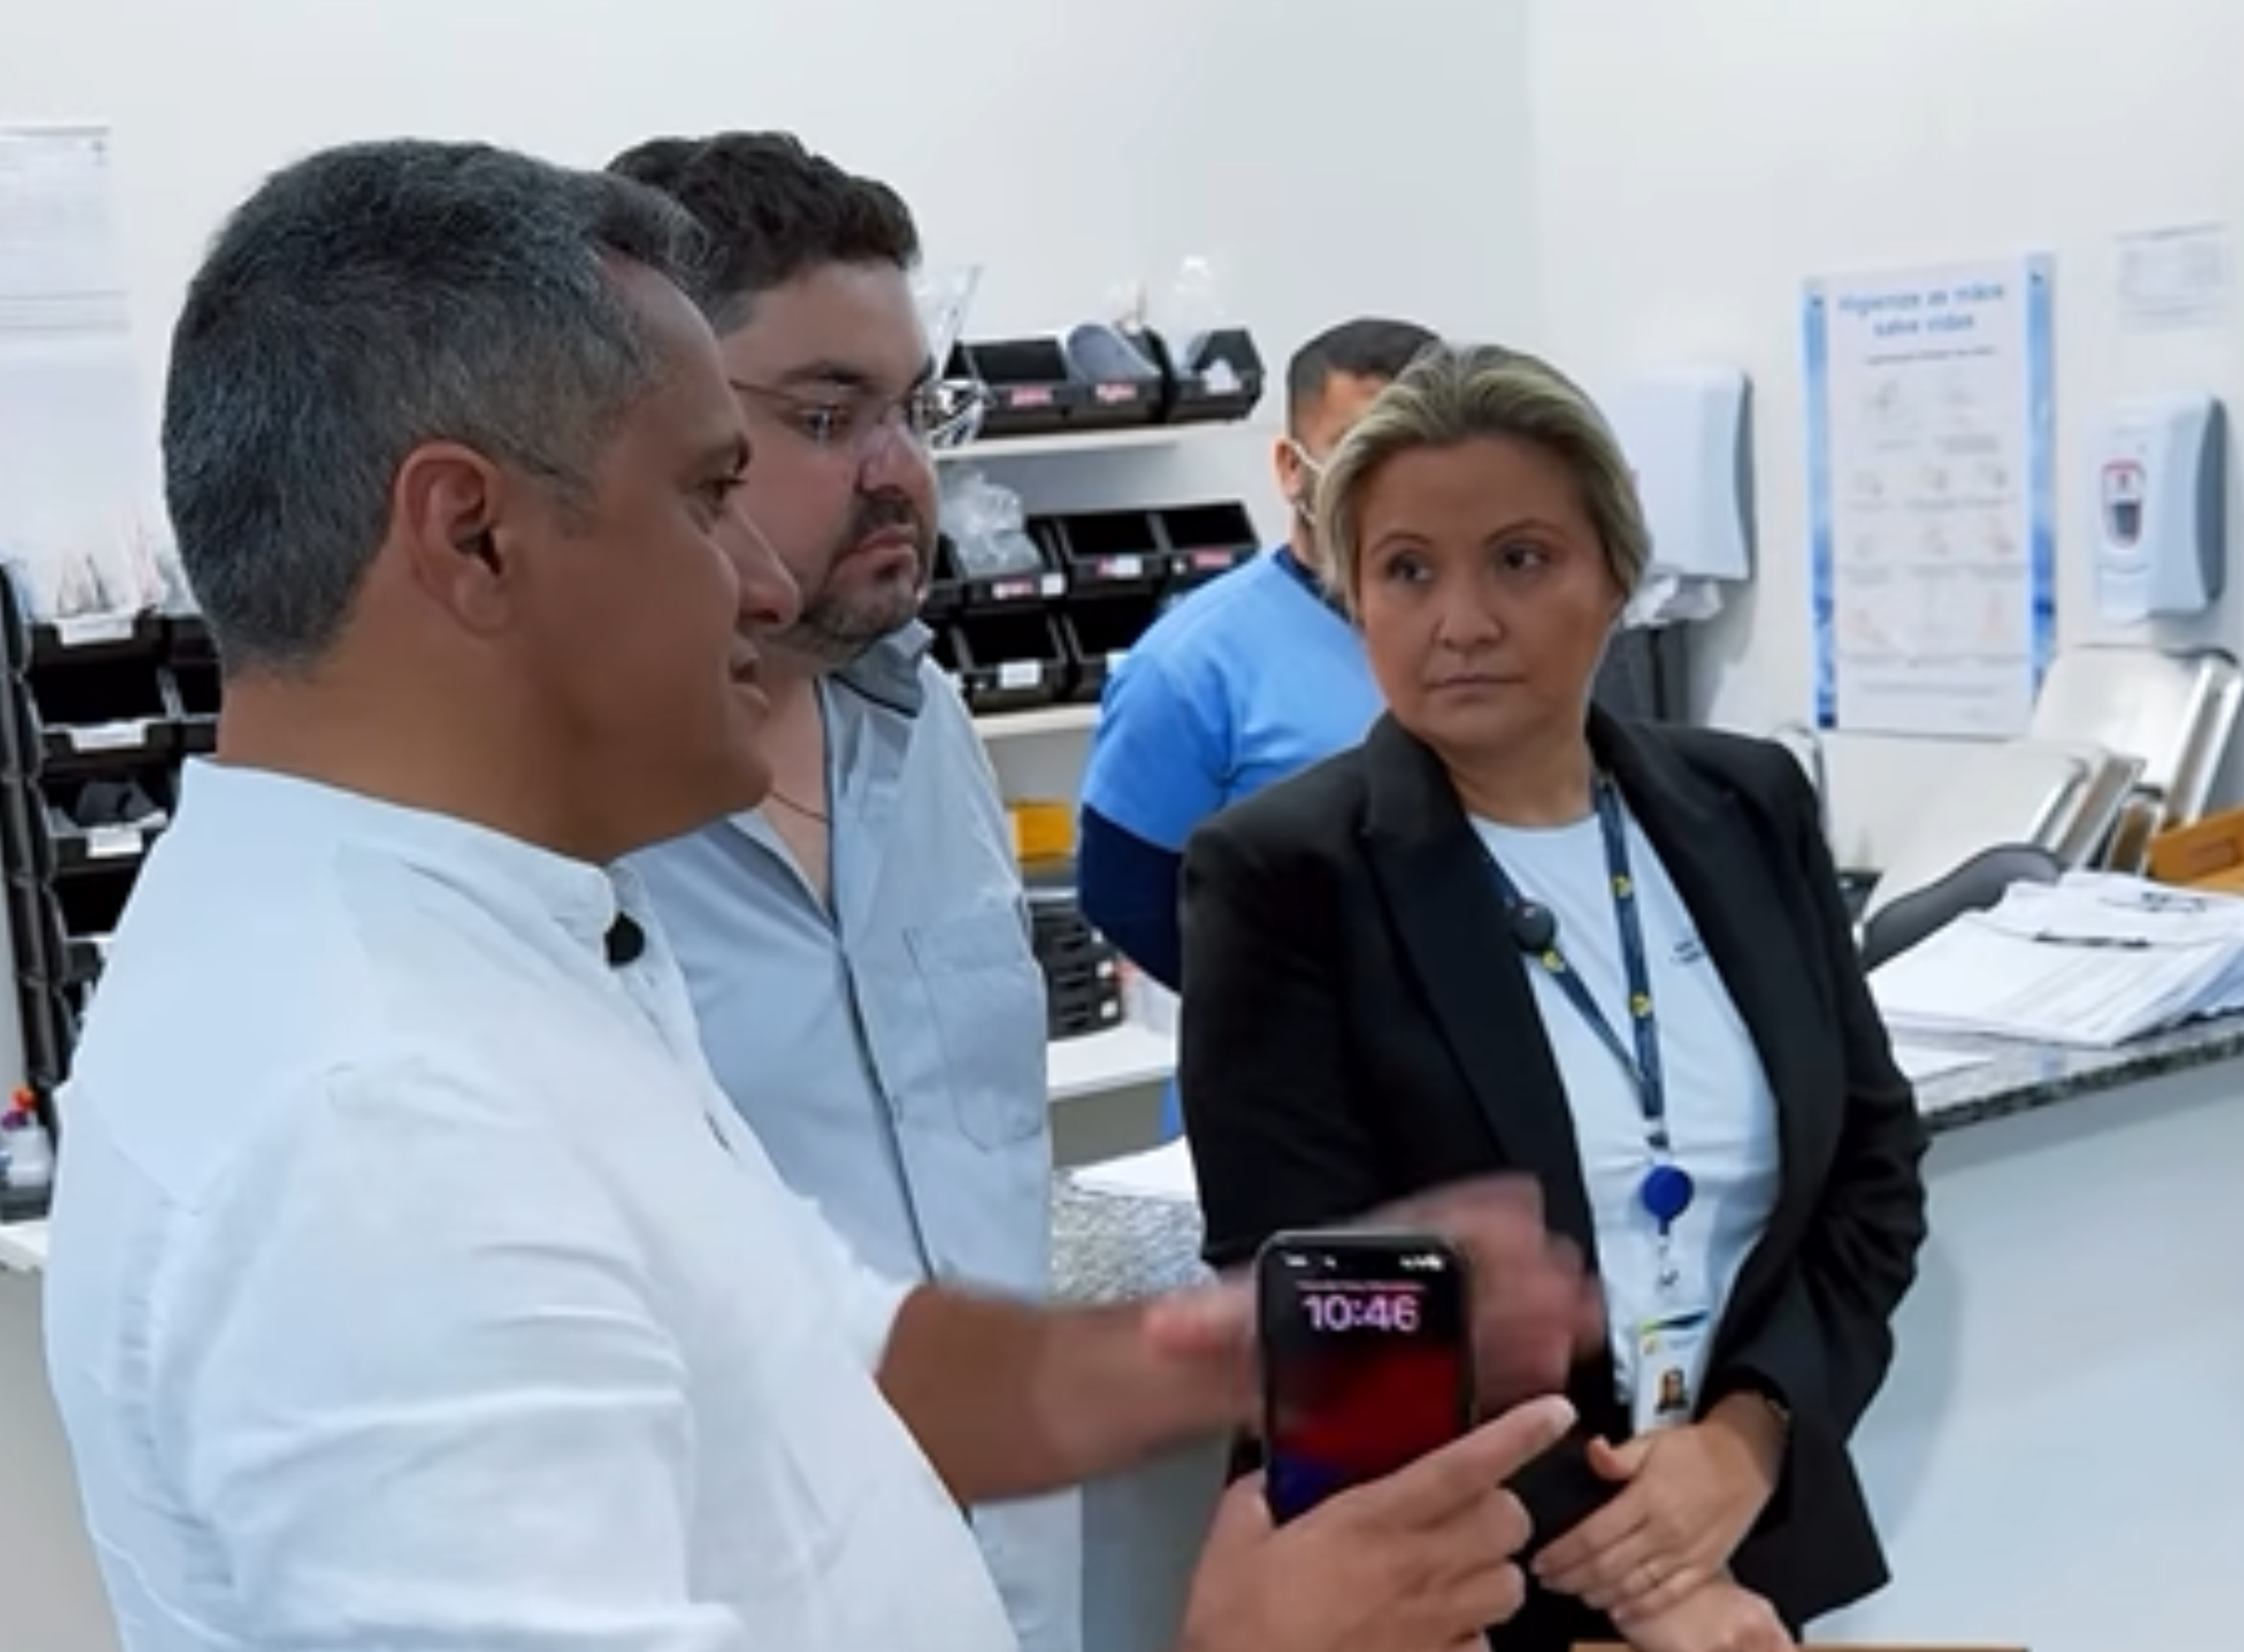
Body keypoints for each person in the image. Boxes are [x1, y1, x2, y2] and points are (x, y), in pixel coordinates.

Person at [40, 140, 1597, 1652]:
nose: (767, 582)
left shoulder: (499, 945)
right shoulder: (376, 1126)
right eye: (705, 493)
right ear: (473, 535)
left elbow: (837, 1352)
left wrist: (1248, 1344)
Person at [1176, 342, 1929, 1652]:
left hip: (1744, 1558)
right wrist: (1646, 1572)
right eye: (1407, 570)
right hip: (1458, 1594)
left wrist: (1747, 1439)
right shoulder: (1281, 874)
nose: (1461, 621)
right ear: (1353, 594)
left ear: (1615, 573)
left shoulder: (1747, 805)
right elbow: (1332, 1317)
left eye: (1519, 559)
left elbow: (1870, 1171)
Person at [603, 131, 1075, 1652]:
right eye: (826, 415)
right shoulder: (568, 825)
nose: (900, 472)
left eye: (913, 410)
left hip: (1016, 1576)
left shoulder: (927, 729)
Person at [1077, 317, 1439, 998]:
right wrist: (1279, 1015)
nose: (1392, 483)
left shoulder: (1487, 632)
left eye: (1421, 452)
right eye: (1358, 451)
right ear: (1290, 469)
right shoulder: (1188, 668)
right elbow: (1124, 893)